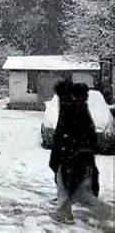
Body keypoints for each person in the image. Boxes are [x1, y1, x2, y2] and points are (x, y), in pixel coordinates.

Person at [49, 80, 112, 224]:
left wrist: (59, 155)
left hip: (69, 156)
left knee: (69, 188)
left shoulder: (68, 107)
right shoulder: (81, 106)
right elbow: (88, 134)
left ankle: (65, 214)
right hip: (80, 156)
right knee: (77, 189)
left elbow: (62, 134)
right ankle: (65, 213)